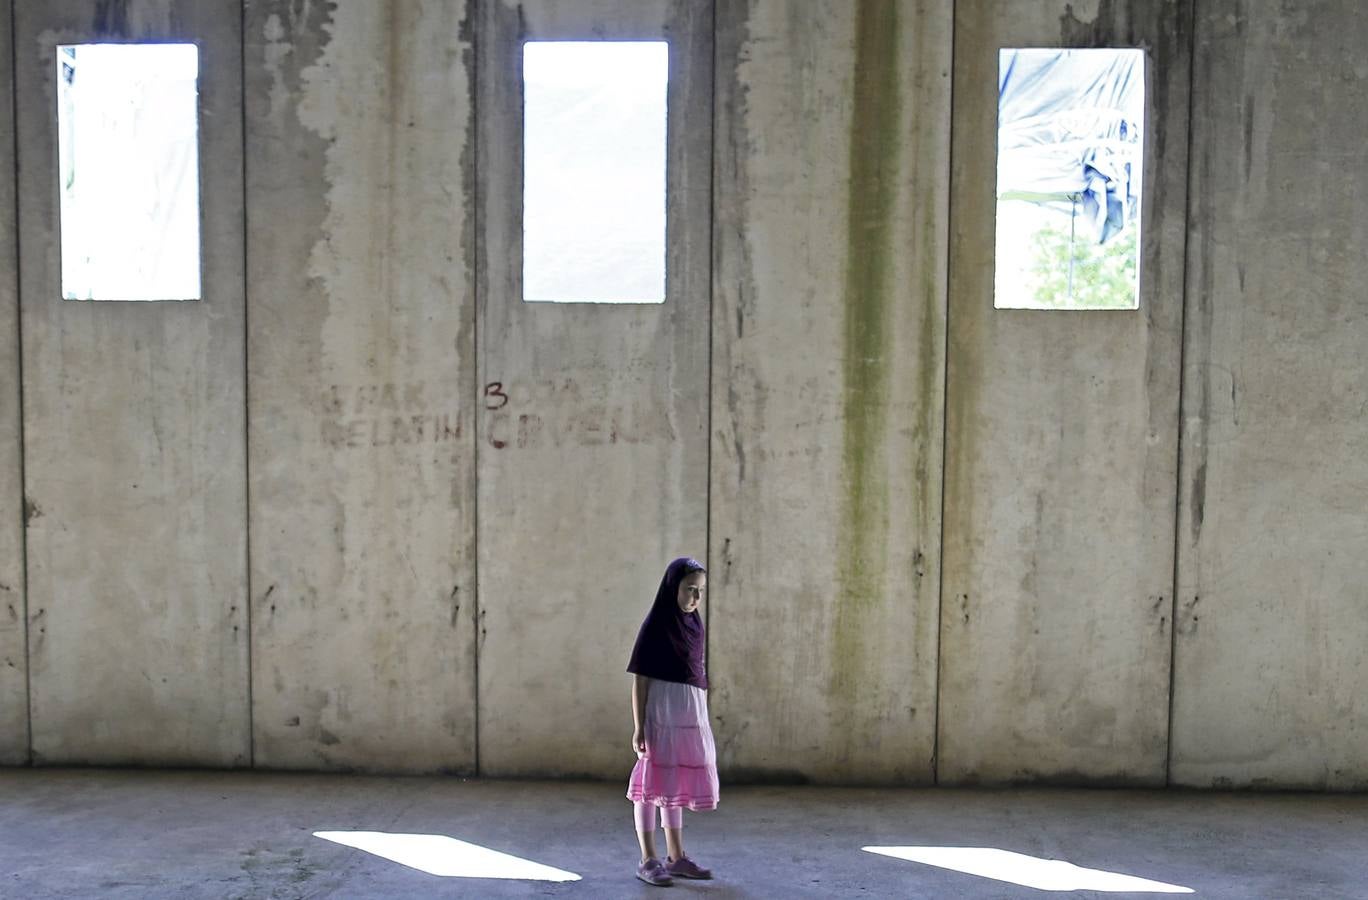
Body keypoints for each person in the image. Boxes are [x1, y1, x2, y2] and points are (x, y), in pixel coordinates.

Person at [626, 556, 719, 886]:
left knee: (674, 783)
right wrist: (639, 725)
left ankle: (677, 857)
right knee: (650, 786)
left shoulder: (694, 625)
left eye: (700, 591)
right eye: (688, 589)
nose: (695, 598)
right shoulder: (656, 625)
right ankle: (648, 858)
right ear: (672, 589)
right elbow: (640, 678)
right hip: (661, 715)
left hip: (689, 714)